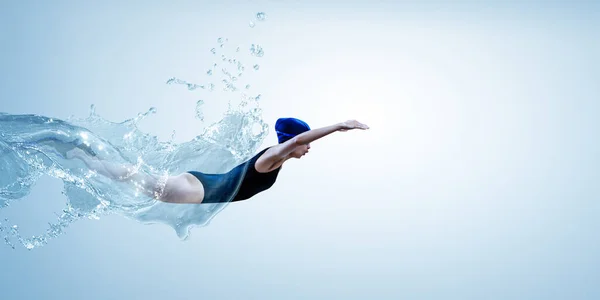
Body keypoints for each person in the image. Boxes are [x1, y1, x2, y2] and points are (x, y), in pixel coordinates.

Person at [66, 118, 369, 204]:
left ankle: (89, 159)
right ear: (293, 141)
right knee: (139, 180)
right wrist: (339, 126)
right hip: (196, 191)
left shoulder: (275, 162)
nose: (308, 149)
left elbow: (295, 142)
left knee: (140, 178)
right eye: (305, 143)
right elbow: (295, 142)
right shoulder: (270, 158)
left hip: (199, 185)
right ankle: (85, 158)